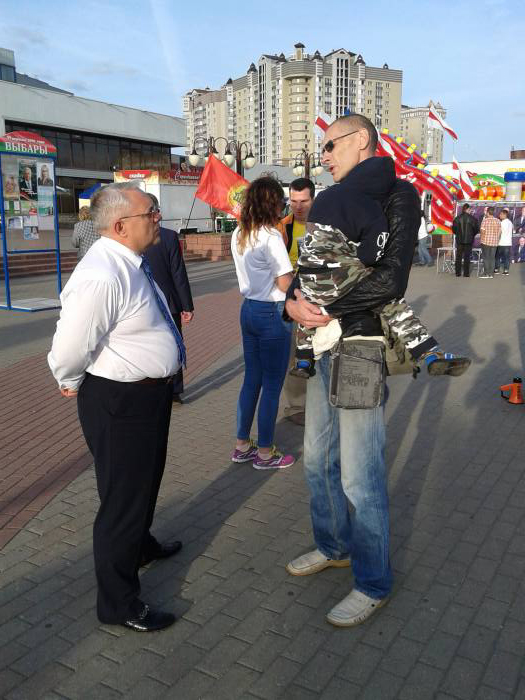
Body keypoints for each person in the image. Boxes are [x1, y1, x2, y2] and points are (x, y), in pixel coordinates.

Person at [284, 113, 440, 627]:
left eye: (331, 145)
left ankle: (373, 582)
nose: (324, 156)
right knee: (315, 460)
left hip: (360, 348)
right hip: (322, 345)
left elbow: (391, 280)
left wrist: (327, 307)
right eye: (322, 149)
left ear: (362, 140)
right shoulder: (332, 200)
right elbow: (312, 263)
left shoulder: (398, 195)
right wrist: (291, 302)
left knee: (360, 475)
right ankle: (334, 546)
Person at [48, 182, 185, 632]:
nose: (158, 218)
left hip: (148, 396)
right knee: (123, 500)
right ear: (122, 225)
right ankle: (119, 602)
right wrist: (68, 379)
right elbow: (70, 345)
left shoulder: (131, 261)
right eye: (151, 212)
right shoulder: (103, 274)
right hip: (121, 402)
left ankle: (140, 546)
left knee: (145, 481)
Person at [230, 176, 295, 470]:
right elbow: (284, 284)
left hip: (249, 310)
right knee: (271, 385)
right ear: (273, 204)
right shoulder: (270, 236)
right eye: (282, 201)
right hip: (272, 312)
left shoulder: (239, 232)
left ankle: (242, 445)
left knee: (252, 379)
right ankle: (266, 453)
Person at [144, 193, 194, 403]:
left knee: (149, 346)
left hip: (144, 303)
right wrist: (187, 305)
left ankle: (154, 390)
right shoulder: (169, 236)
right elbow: (178, 273)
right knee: (174, 344)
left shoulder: (132, 238)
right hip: (169, 302)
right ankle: (175, 390)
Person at [276, 178, 315, 426]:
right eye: (294, 201)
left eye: (304, 201)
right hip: (291, 297)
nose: (298, 206)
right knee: (295, 353)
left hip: (319, 295)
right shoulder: (282, 227)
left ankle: (320, 401)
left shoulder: (324, 224)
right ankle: (297, 406)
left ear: (313, 199)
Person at [452, 203, 479, 277]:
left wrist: (458, 234)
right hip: (469, 240)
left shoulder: (457, 219)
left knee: (459, 257)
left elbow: (454, 230)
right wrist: (472, 235)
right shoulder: (472, 219)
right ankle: (466, 273)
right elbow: (476, 230)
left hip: (459, 240)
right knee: (467, 257)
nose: (470, 211)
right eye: (469, 209)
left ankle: (458, 273)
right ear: (467, 209)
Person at [479, 206, 501, 278]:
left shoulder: (485, 221)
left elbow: (482, 231)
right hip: (494, 242)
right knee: (492, 258)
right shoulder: (498, 221)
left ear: (488, 212)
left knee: (486, 258)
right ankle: (491, 274)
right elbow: (500, 232)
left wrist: (481, 240)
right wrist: (497, 239)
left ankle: (486, 273)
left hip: (486, 242)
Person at [494, 209, 513, 275]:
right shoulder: (510, 222)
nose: (499, 215)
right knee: (506, 258)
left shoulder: (501, 223)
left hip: (501, 243)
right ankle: (506, 270)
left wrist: (496, 240)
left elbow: (499, 232)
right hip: (508, 243)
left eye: (501, 214)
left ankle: (496, 269)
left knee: (497, 257)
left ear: (505, 215)